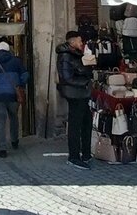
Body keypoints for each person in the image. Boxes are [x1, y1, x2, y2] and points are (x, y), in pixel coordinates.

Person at [56, 30, 93, 170]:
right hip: (75, 94)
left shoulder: (76, 54)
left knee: (86, 122)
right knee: (75, 125)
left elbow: (80, 69)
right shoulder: (65, 56)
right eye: (79, 41)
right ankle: (74, 157)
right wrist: (84, 82)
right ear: (72, 42)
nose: (81, 43)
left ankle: (86, 154)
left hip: (82, 94)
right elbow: (67, 77)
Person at [0, 40, 28, 158]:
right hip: (13, 95)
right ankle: (14, 141)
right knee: (14, 117)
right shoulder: (16, 61)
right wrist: (19, 84)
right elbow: (25, 74)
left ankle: (2, 148)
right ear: (8, 49)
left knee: (1, 121)